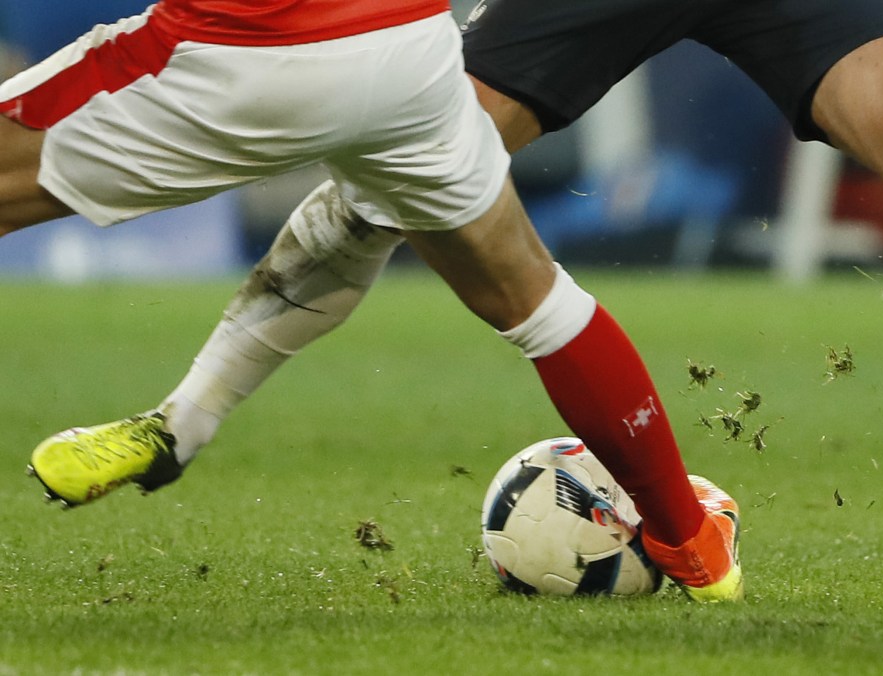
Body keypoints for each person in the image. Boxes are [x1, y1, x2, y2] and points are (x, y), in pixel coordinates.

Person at [3, 1, 742, 602]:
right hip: (408, 49)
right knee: (534, 297)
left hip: (242, 48)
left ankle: (183, 422)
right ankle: (698, 550)